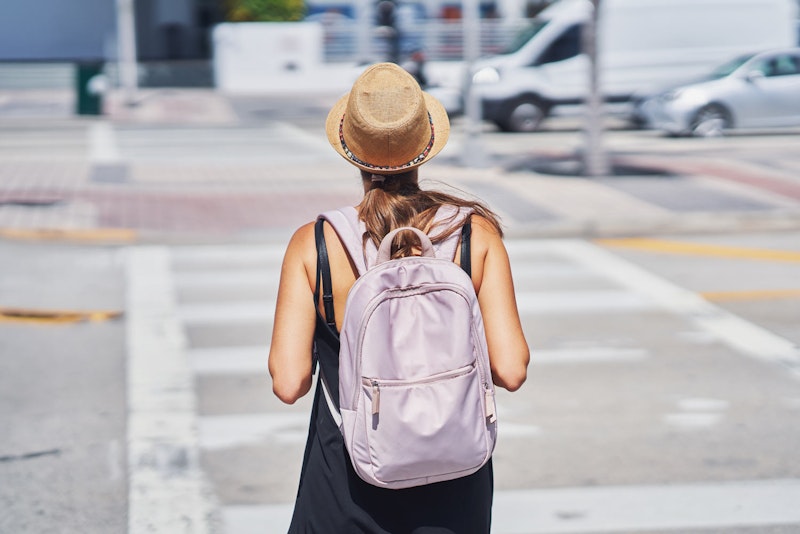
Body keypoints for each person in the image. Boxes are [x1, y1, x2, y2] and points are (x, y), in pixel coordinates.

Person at [268, 62, 529, 533]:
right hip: (453, 483)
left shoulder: (316, 242)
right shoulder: (475, 234)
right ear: (424, 147)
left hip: (344, 482)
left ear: (351, 150)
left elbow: (289, 383)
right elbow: (511, 370)